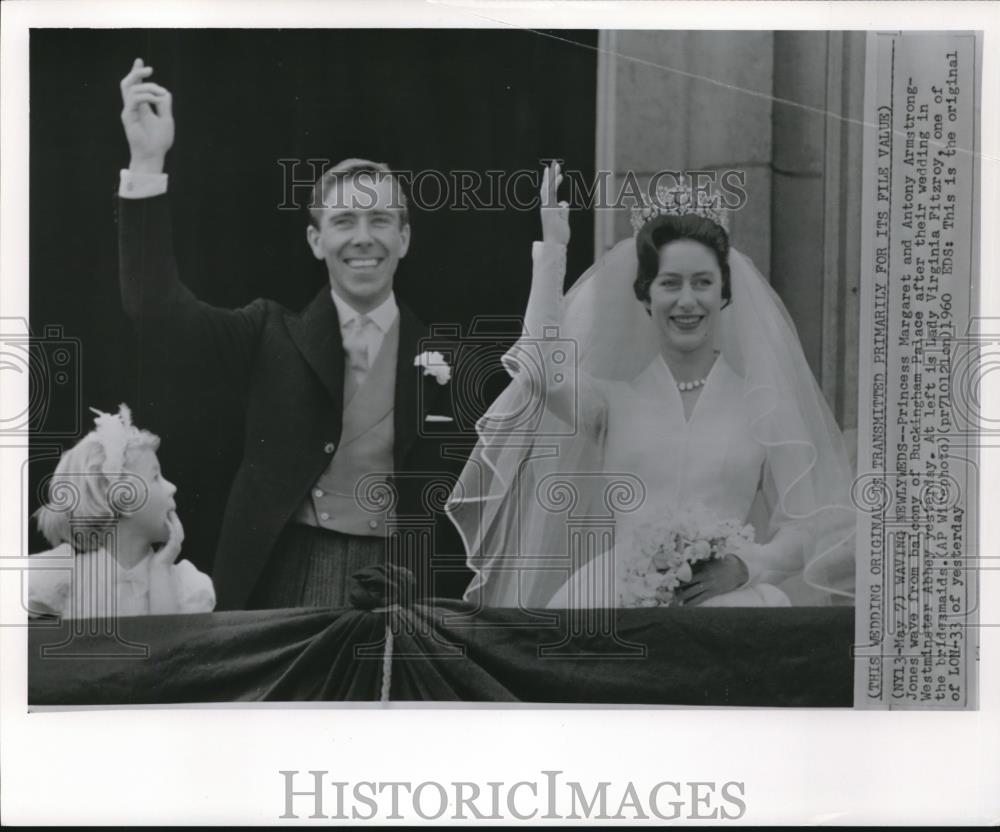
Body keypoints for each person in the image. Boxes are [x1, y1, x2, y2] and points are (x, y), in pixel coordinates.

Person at [117, 58, 471, 610]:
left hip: (406, 587)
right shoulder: (267, 332)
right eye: (343, 222)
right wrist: (147, 160)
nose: (363, 238)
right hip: (285, 579)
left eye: (380, 220)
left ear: (405, 237)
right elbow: (156, 310)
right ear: (314, 239)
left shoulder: (447, 356)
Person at [447, 162, 856, 609]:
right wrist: (552, 252)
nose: (687, 301)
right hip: (614, 594)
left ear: (724, 292)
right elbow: (538, 369)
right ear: (645, 295)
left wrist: (747, 565)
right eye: (669, 283)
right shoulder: (612, 403)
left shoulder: (762, 404)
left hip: (726, 599)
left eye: (702, 283)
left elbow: (807, 524)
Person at [28, 404, 215, 619]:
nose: (172, 487)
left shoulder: (185, 584)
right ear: (123, 499)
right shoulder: (65, 573)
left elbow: (169, 649)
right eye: (156, 477)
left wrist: (160, 569)